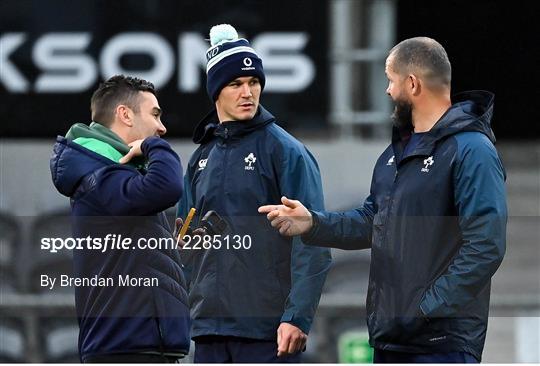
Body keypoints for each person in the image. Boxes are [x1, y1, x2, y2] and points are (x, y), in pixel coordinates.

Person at [259, 37, 507, 363]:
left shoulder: (472, 151)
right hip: (393, 342)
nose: (388, 91)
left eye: (391, 80)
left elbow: (486, 246)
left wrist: (424, 310)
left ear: (413, 84)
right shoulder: (394, 156)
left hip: (441, 345)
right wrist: (313, 223)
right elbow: (371, 221)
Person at [177, 24, 332, 363]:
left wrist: (297, 317)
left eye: (254, 83)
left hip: (267, 332)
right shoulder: (200, 158)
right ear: (216, 90)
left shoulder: (286, 152)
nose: (247, 92)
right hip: (208, 332)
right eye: (235, 84)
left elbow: (314, 242)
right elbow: (185, 245)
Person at [50, 75, 190, 363]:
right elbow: (167, 186)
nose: (161, 127)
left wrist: (173, 251)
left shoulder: (113, 174)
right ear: (125, 114)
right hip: (125, 349)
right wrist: (154, 148)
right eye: (154, 114)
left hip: (138, 346)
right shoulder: (99, 173)